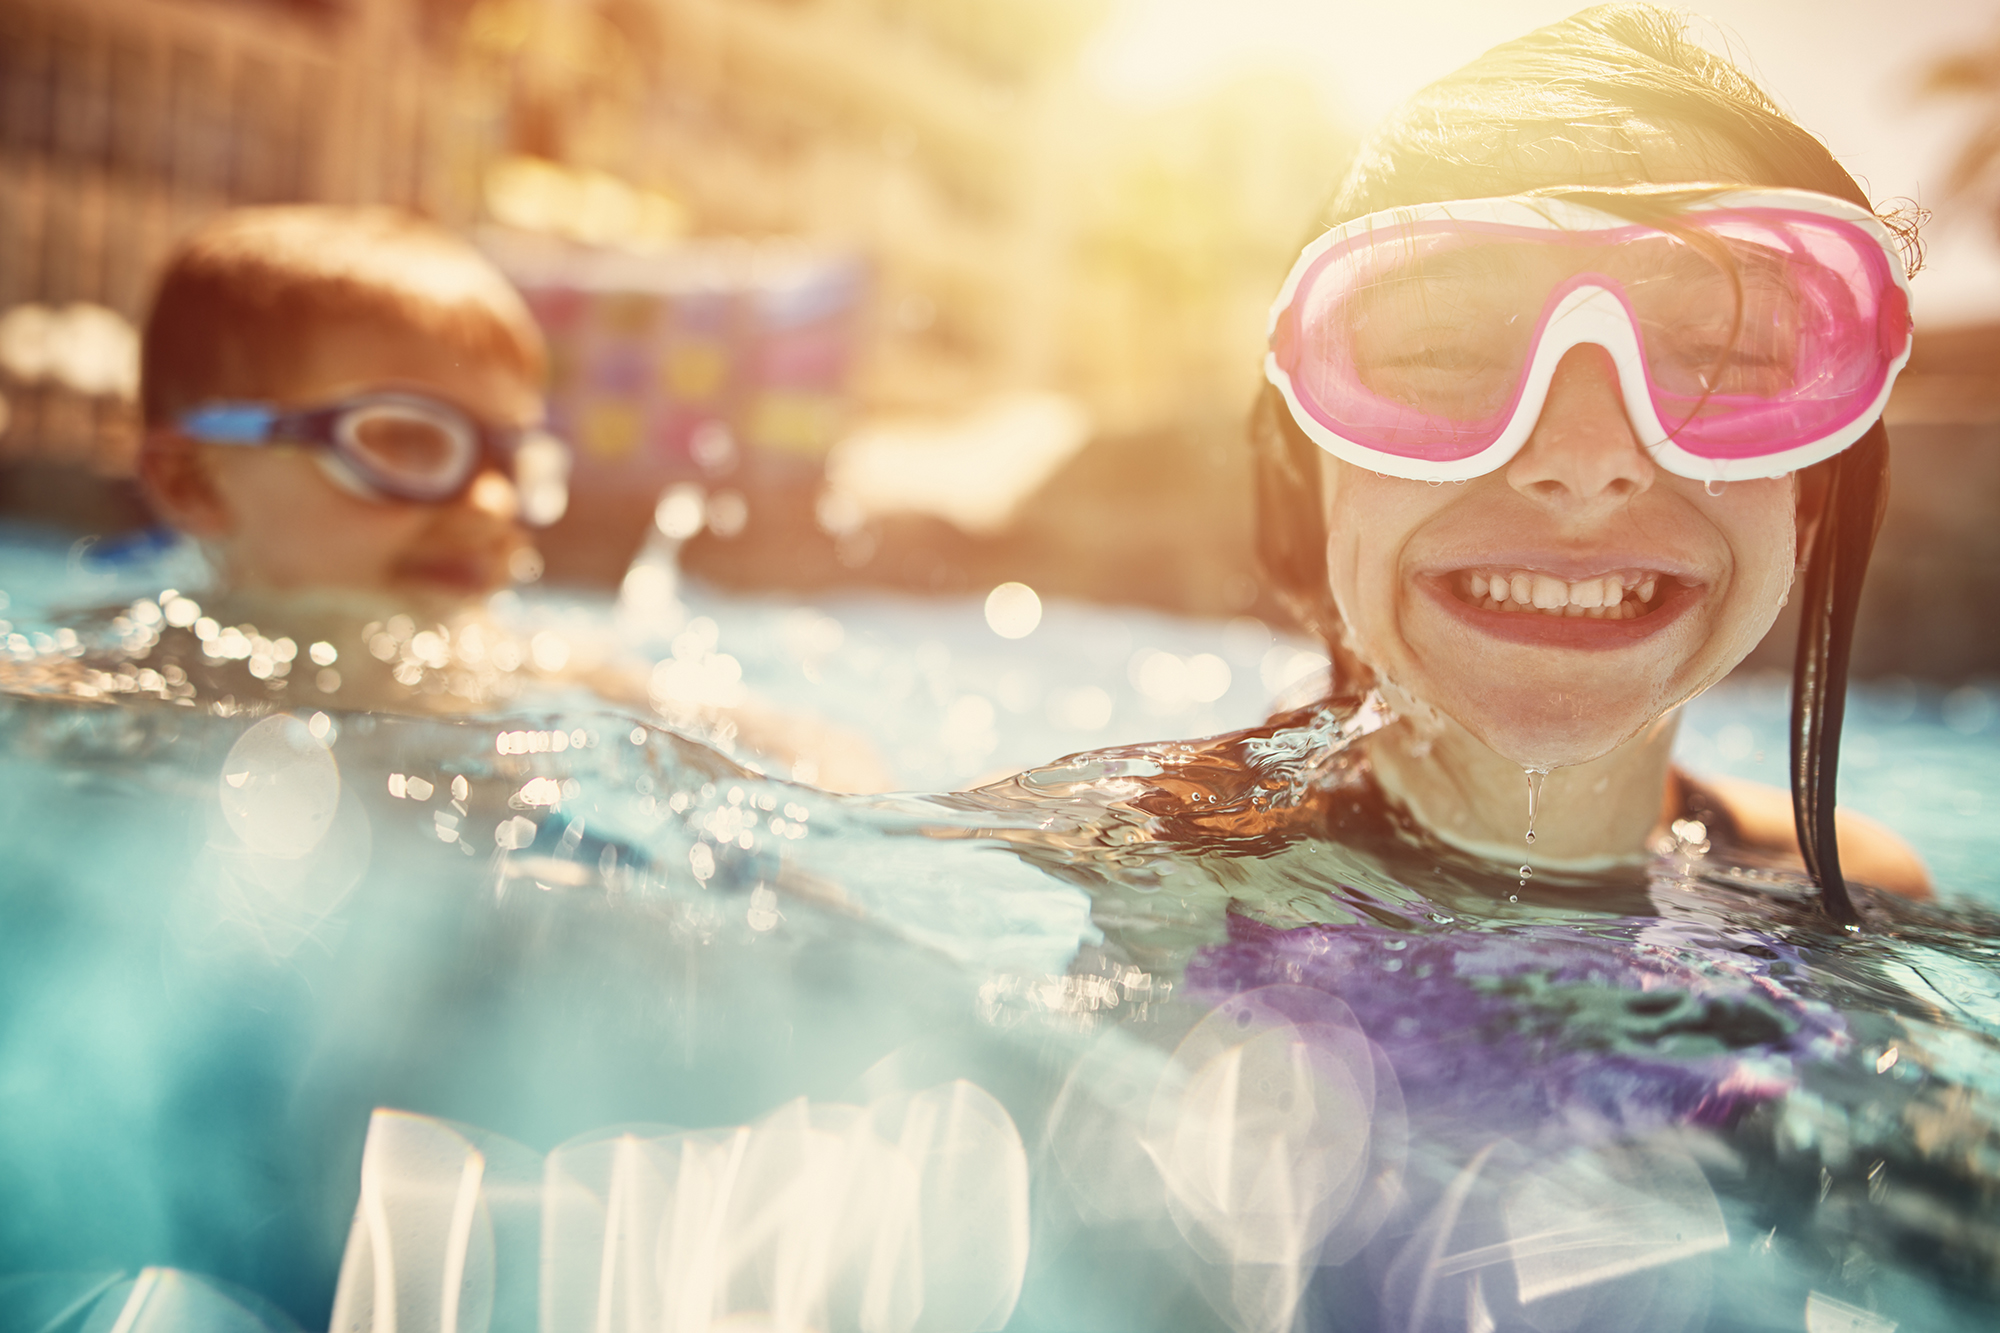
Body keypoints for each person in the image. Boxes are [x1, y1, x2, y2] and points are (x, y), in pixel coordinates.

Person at [1234, 3, 1933, 910]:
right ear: (1309, 468)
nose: (1586, 458)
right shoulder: (1143, 872)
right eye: (1441, 348)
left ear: (1808, 496)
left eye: (1723, 355)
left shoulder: (1851, 890)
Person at [20, 205, 887, 789]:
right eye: (404, 439)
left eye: (510, 458)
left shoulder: (524, 663)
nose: (485, 505)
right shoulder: (134, 662)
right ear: (193, 481)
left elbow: (796, 754)